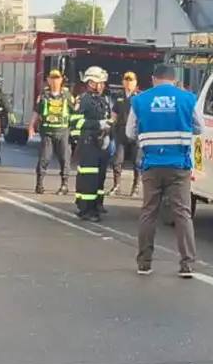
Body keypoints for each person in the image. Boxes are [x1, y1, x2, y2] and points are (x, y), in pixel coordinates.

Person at [129, 61, 199, 278]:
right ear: (175, 79)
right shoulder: (188, 98)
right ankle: (187, 264)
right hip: (179, 165)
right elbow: (200, 127)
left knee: (149, 212)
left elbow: (130, 132)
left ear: (153, 79)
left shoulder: (140, 100)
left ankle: (144, 264)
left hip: (151, 164)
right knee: (182, 213)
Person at [70, 67, 113, 221]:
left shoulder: (102, 99)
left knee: (99, 177)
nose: (103, 85)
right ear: (91, 83)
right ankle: (86, 210)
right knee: (89, 178)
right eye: (100, 82)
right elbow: (75, 122)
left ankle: (96, 205)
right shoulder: (84, 100)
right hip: (88, 144)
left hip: (100, 143)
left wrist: (108, 131)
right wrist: (97, 124)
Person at [30, 68, 74, 195]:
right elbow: (37, 112)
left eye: (57, 78)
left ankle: (64, 185)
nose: (55, 81)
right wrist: (31, 126)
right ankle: (39, 184)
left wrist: (75, 131)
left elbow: (75, 111)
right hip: (47, 132)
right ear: (48, 80)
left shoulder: (67, 96)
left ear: (61, 80)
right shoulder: (43, 96)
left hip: (63, 132)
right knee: (44, 159)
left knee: (65, 160)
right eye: (52, 78)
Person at [109, 70, 141, 196]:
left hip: (135, 132)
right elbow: (114, 112)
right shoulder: (119, 96)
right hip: (121, 131)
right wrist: (110, 122)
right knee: (117, 161)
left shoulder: (139, 97)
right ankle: (116, 186)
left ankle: (135, 186)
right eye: (126, 80)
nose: (128, 83)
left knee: (137, 162)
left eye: (131, 80)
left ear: (135, 82)